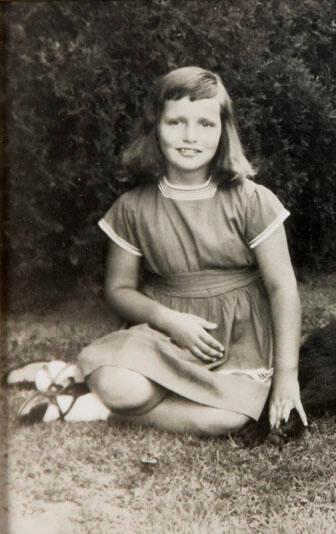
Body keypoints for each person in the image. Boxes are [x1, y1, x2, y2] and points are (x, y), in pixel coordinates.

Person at [18, 66, 307, 436]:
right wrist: (170, 321)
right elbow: (119, 290)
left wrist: (287, 377)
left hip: (238, 338)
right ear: (155, 128)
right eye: (176, 123)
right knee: (122, 387)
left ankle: (89, 406)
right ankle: (93, 386)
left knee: (233, 418)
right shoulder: (133, 207)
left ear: (224, 131)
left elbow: (283, 289)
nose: (190, 137)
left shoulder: (253, 200)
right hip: (166, 331)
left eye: (205, 124)